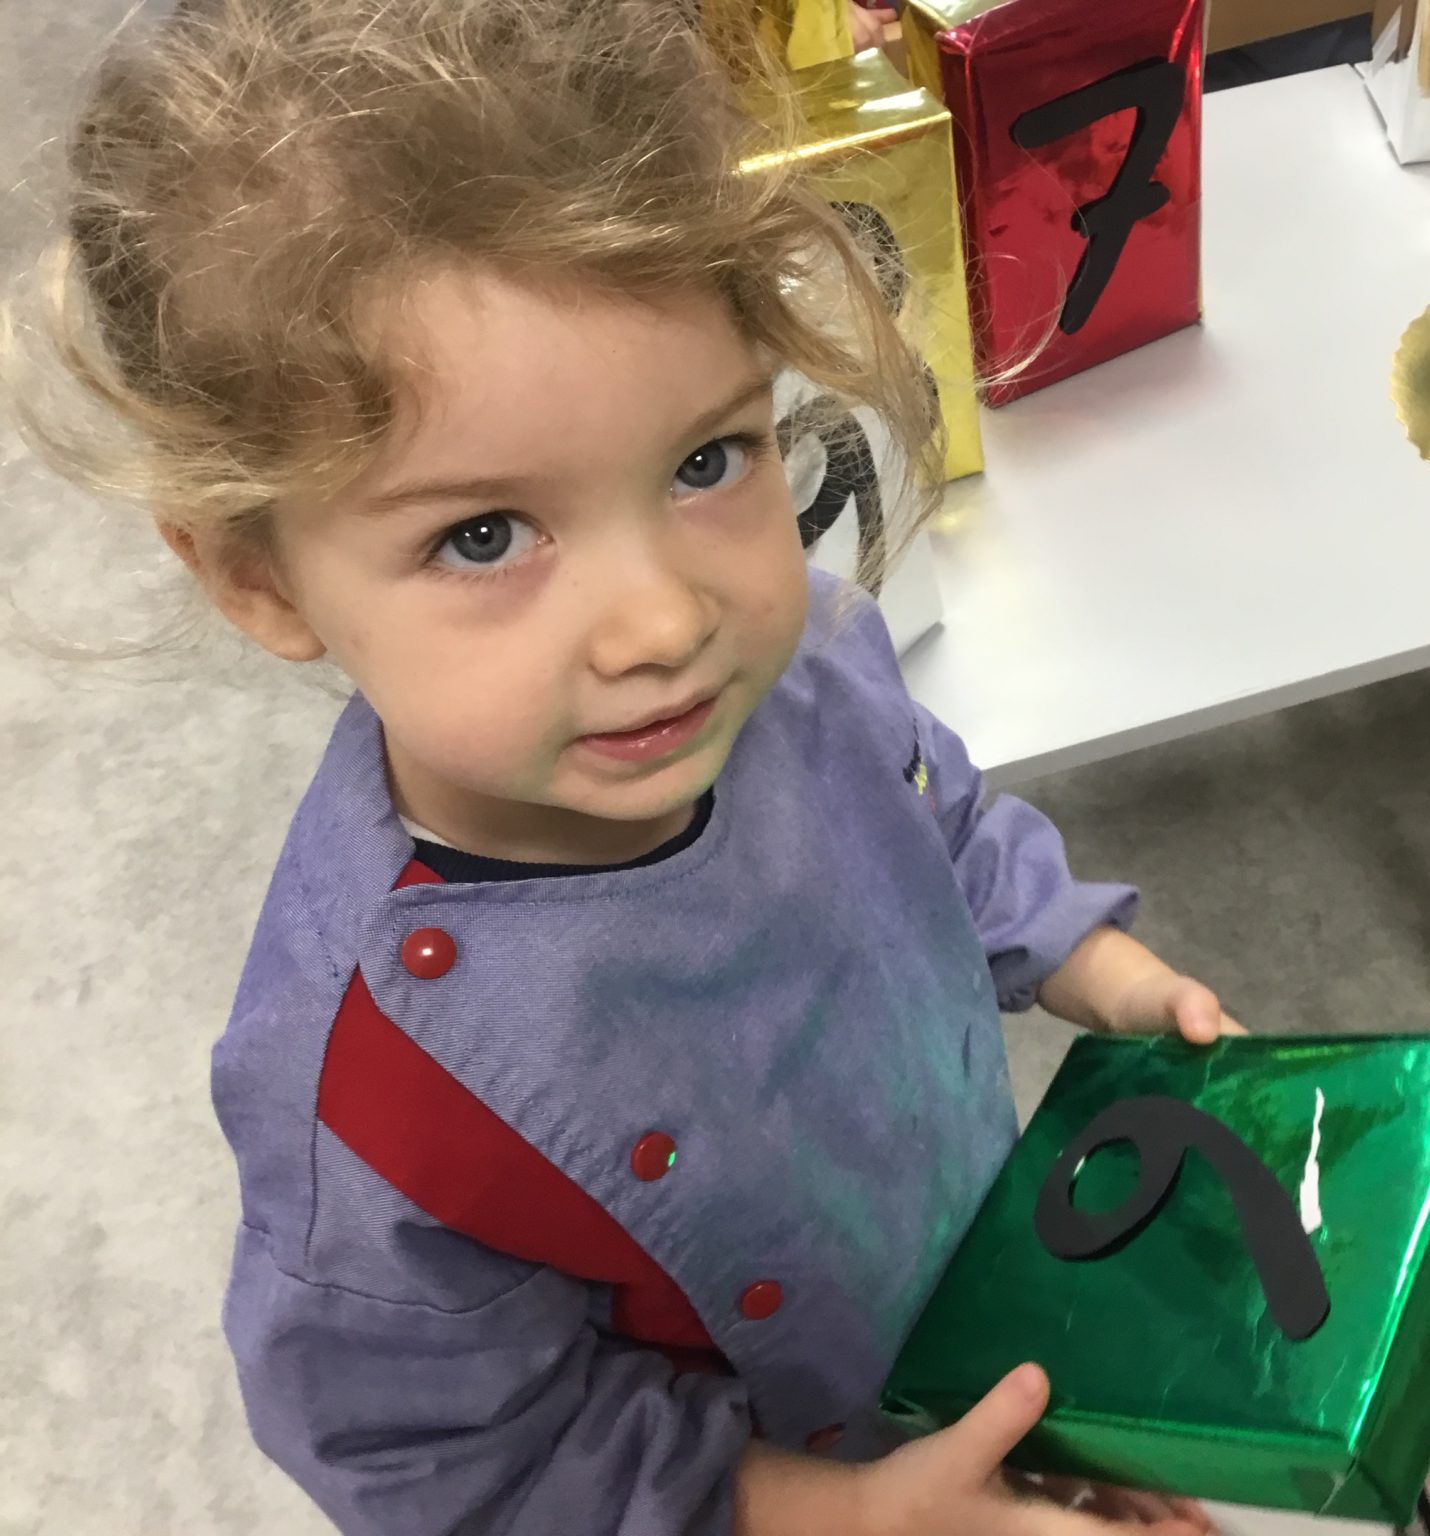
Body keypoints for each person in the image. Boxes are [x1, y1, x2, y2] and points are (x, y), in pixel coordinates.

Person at [4, 2, 1237, 1532]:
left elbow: (932, 815)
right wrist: (859, 1517)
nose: (666, 623)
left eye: (707, 460)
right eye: (483, 535)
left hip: (966, 1289)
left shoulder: (801, 663)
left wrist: (1100, 968)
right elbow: (473, 1466)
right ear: (255, 577)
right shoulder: (378, 1103)